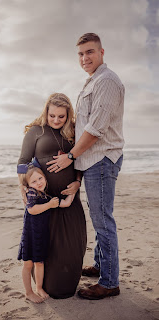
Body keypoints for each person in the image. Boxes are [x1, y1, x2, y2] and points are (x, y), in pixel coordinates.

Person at [47, 33, 125, 300]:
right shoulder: (93, 81)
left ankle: (110, 282)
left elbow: (95, 129)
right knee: (99, 218)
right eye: (80, 54)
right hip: (92, 161)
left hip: (101, 160)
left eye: (89, 52)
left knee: (103, 222)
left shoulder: (107, 81)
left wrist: (70, 157)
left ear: (102, 52)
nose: (84, 58)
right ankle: (103, 266)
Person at [18, 93, 87, 299]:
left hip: (69, 201)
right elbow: (23, 162)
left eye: (61, 117)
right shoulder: (35, 132)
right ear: (46, 112)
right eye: (52, 116)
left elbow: (80, 161)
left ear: (69, 116)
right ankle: (43, 287)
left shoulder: (74, 132)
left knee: (74, 244)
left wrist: (77, 182)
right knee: (44, 247)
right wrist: (23, 189)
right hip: (44, 202)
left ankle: (67, 284)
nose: (56, 120)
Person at [17, 160, 75, 303]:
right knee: (28, 264)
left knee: (40, 263)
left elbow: (66, 203)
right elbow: (32, 209)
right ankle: (28, 292)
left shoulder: (45, 196)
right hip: (30, 235)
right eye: (34, 181)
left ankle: (39, 288)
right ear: (29, 185)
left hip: (41, 236)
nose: (38, 183)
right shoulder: (32, 194)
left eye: (40, 178)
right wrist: (49, 205)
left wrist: (73, 191)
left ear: (45, 177)